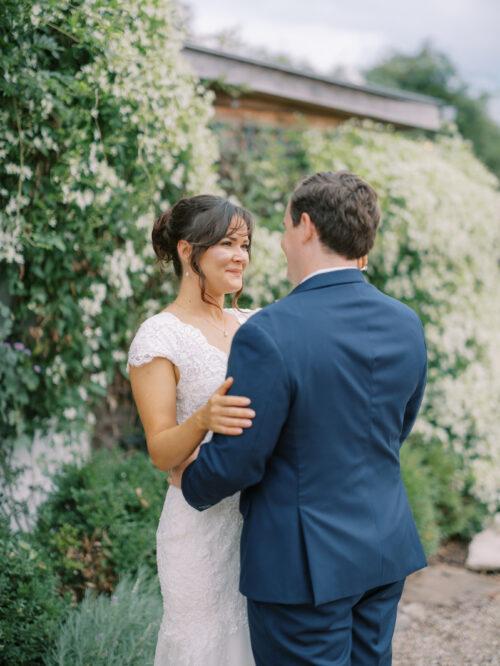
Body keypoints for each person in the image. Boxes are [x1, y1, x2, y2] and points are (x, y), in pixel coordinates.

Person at [178, 171, 428, 665]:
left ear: (307, 226)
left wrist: (189, 479)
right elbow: (397, 427)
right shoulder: (405, 322)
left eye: (285, 227)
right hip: (381, 549)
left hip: (302, 569)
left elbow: (241, 460)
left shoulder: (269, 332)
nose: (282, 240)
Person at [127, 195, 258, 665]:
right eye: (227, 243)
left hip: (259, 520)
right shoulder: (159, 335)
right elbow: (162, 451)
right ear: (187, 250)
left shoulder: (254, 324)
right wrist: (202, 418)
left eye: (245, 244)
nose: (241, 255)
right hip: (198, 531)